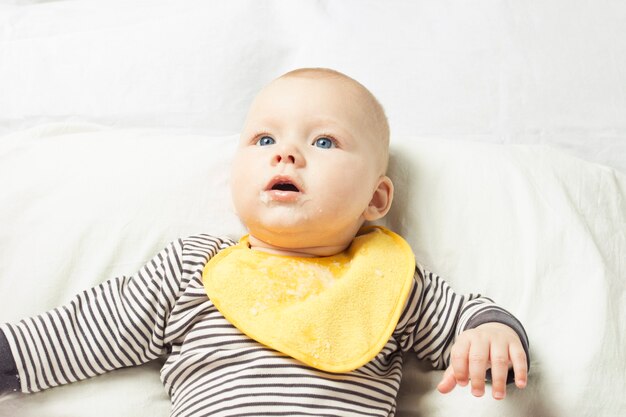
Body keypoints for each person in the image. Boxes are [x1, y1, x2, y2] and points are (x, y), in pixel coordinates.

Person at [0, 68, 529, 417]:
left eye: (324, 141)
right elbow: (85, 329)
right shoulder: (194, 269)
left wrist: (491, 332)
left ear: (376, 197)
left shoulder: (387, 280)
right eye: (264, 139)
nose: (287, 154)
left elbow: (463, 317)